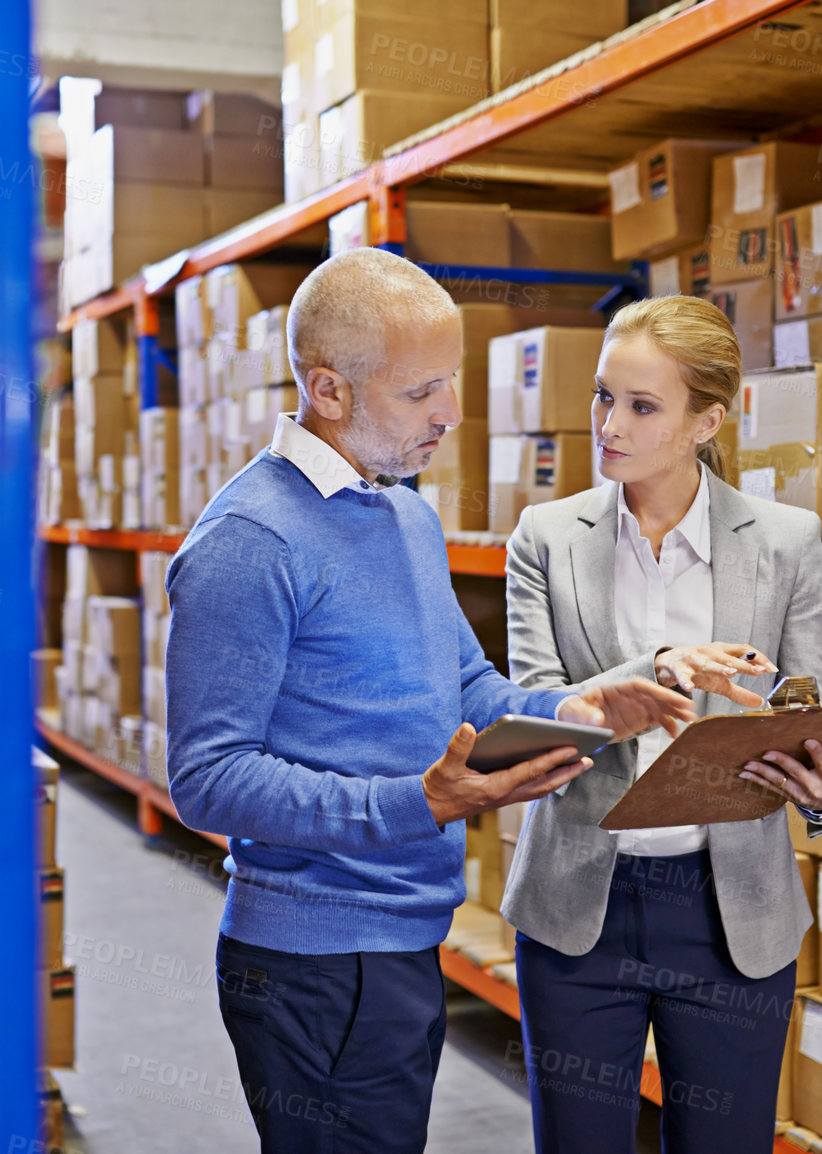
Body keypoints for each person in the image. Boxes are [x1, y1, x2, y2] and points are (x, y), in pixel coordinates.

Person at [163, 248, 695, 1154]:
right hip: (313, 959)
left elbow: (465, 687)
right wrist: (419, 804)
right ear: (328, 390)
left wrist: (580, 708)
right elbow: (208, 781)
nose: (450, 413)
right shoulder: (250, 541)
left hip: (403, 935)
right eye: (421, 393)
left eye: (449, 383)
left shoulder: (401, 510)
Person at [500, 294, 822, 1153]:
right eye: (602, 397)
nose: (608, 425)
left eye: (640, 405)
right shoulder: (545, 538)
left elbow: (816, 720)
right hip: (578, 907)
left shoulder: (783, 542)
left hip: (729, 910)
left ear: (707, 420)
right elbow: (529, 710)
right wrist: (656, 668)